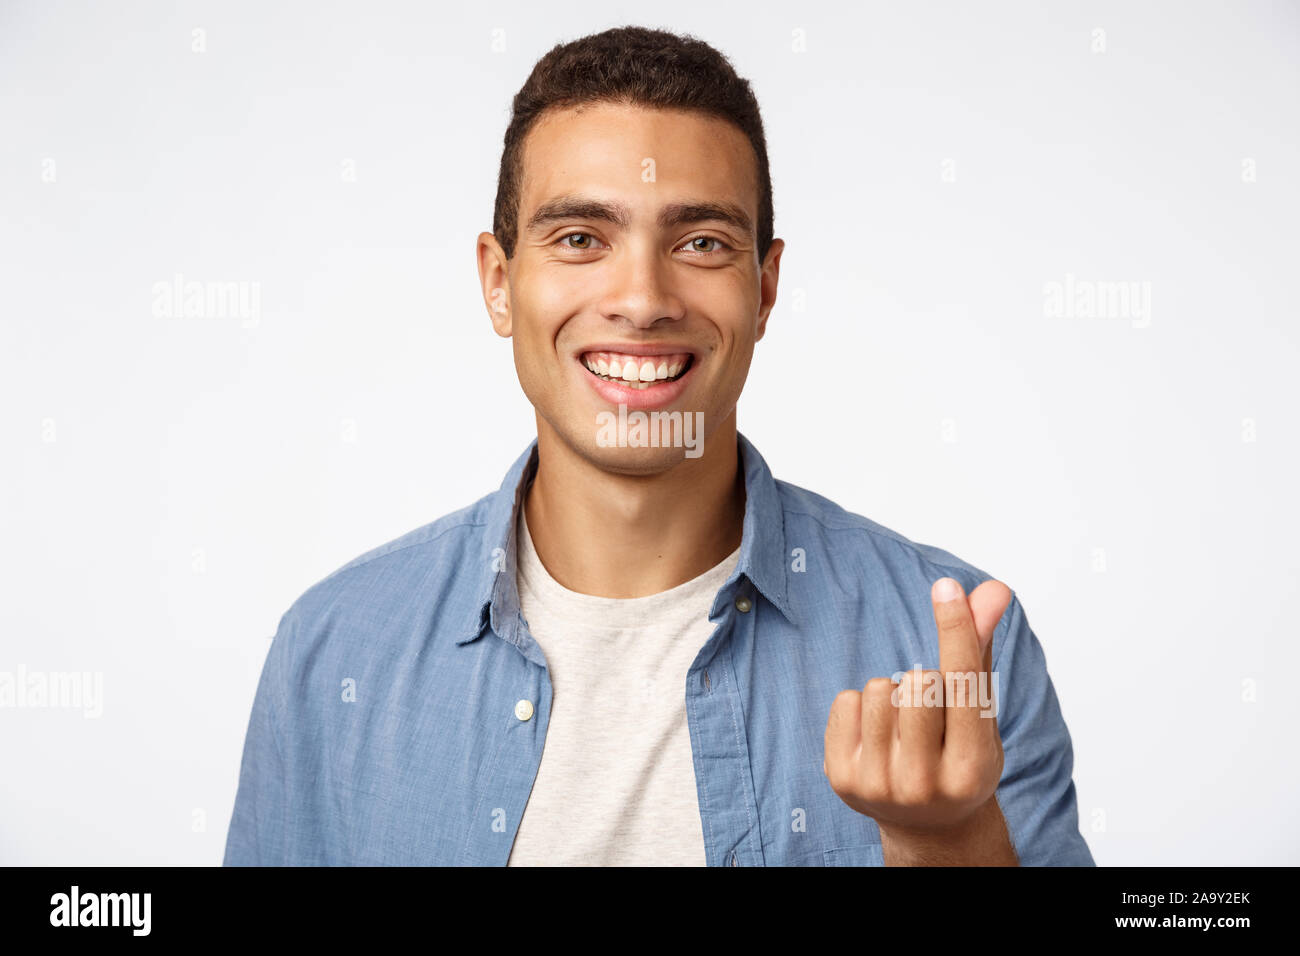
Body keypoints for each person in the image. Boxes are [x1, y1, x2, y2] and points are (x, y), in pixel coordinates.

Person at [223, 25, 1094, 867]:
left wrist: (946, 849)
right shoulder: (331, 654)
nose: (642, 298)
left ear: (764, 289)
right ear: (498, 283)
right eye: (580, 239)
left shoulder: (957, 650)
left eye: (701, 242)